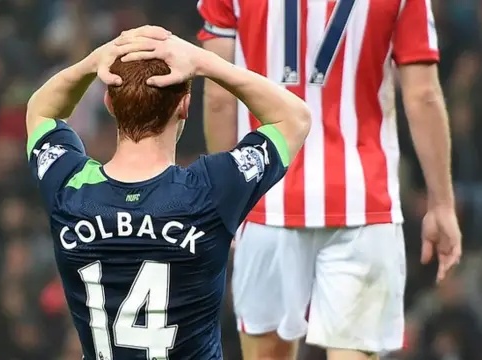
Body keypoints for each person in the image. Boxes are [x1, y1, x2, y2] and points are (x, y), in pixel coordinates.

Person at [25, 25, 310, 360]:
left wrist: (93, 62)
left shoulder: (69, 190)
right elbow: (294, 117)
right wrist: (205, 62)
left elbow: (41, 110)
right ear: (185, 105)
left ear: (108, 103)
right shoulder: (210, 191)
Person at [197, 0, 462, 359]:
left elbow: (218, 96)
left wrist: (229, 196)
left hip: (267, 197)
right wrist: (442, 204)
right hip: (363, 203)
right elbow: (423, 95)